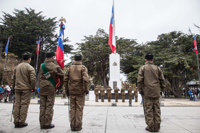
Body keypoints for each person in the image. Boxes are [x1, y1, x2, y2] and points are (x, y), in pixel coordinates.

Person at [137, 53, 166, 132]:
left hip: (147, 92)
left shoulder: (143, 68)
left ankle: (150, 126)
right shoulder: (157, 68)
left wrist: (140, 90)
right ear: (152, 60)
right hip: (156, 91)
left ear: (145, 60)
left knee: (148, 109)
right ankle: (157, 127)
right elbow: (162, 80)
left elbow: (139, 80)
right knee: (157, 109)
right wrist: (163, 89)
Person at [39, 51, 64, 129]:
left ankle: (42, 123)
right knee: (49, 105)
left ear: (46, 57)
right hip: (50, 87)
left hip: (42, 87)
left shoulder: (41, 65)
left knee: (42, 106)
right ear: (52, 57)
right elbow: (62, 75)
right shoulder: (55, 66)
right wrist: (61, 85)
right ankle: (47, 123)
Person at [64, 53, 89, 131]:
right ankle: (77, 126)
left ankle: (72, 126)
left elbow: (65, 79)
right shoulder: (83, 68)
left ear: (74, 59)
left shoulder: (69, 68)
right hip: (80, 91)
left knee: (72, 108)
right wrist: (86, 89)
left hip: (71, 90)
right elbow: (85, 79)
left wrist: (66, 89)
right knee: (79, 108)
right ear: (81, 60)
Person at [11, 52, 36, 128]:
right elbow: (33, 79)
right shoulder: (30, 68)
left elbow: (13, 78)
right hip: (26, 89)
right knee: (24, 105)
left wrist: (13, 87)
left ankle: (16, 121)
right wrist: (33, 87)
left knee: (17, 104)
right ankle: (21, 121)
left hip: (17, 88)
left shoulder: (17, 67)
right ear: (29, 59)